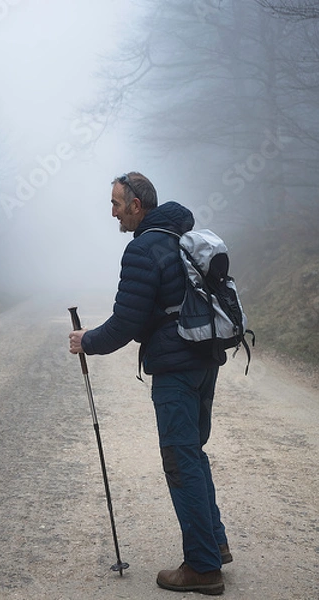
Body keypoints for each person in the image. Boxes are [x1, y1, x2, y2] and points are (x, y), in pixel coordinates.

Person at [69, 172, 232, 595]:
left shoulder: (143, 248)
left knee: (180, 461)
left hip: (176, 370)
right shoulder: (181, 235)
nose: (113, 212)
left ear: (136, 205)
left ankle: (202, 567)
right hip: (203, 359)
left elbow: (126, 322)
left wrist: (87, 341)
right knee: (192, 453)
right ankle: (214, 542)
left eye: (117, 203)